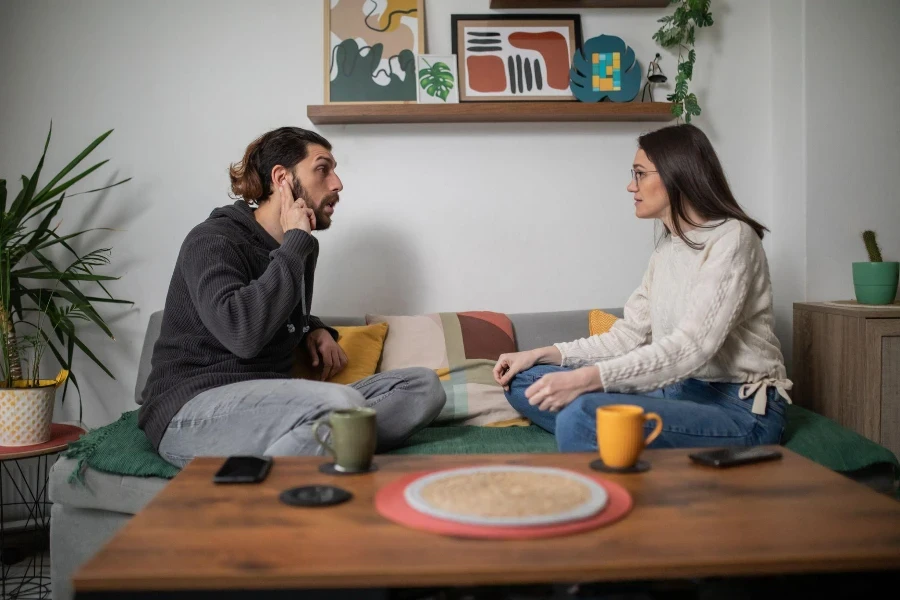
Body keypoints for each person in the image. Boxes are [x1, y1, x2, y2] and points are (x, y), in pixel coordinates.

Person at [139, 126, 445, 467]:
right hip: (193, 408)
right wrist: (295, 240)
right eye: (322, 168)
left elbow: (273, 305)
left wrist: (312, 327)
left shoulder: (301, 249)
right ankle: (317, 453)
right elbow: (243, 333)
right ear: (282, 178)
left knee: (422, 387)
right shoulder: (212, 240)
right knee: (340, 404)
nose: (337, 183)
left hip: (271, 405)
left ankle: (305, 449)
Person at [493, 123, 791, 452]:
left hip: (740, 409)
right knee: (522, 380)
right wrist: (540, 354)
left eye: (639, 174)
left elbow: (692, 348)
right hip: (674, 390)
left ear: (677, 174)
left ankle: (592, 431)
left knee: (581, 415)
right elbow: (629, 336)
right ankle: (608, 434)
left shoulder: (732, 238)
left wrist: (585, 379)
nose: (629, 186)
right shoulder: (666, 250)